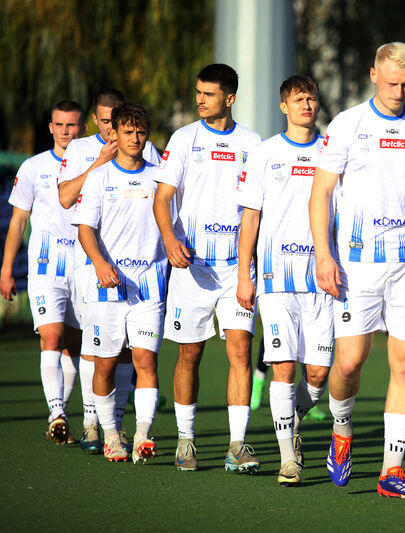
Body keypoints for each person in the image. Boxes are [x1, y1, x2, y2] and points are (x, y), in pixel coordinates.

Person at [310, 42, 405, 498]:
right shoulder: (348, 124)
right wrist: (324, 254)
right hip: (357, 264)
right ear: (373, 74)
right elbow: (320, 192)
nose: (400, 91)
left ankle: (391, 471)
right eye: (393, 82)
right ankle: (342, 433)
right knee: (349, 362)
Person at [154, 63, 262, 472]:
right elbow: (162, 198)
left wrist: (248, 268)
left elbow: (257, 208)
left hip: (236, 268)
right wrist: (169, 239)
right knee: (189, 356)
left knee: (240, 350)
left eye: (209, 94)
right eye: (198, 92)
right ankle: (186, 440)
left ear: (229, 98)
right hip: (191, 269)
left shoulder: (253, 143)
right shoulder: (183, 139)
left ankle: (237, 444)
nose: (199, 99)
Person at [235, 74, 332, 486]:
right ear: (284, 107)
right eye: (298, 99)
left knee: (318, 376)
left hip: (324, 279)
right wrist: (245, 274)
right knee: (283, 368)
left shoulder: (332, 151)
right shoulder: (264, 154)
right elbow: (250, 216)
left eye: (310, 98)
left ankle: (291, 417)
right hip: (276, 280)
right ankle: (288, 459)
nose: (306, 105)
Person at [57, 88, 160, 453]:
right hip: (107, 284)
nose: (135, 139)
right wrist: (100, 264)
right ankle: (110, 433)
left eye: (141, 132)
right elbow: (84, 227)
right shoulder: (99, 176)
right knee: (104, 362)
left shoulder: (159, 177)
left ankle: (143, 433)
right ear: (113, 133)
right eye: (128, 132)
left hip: (148, 284)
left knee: (145, 359)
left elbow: (171, 223)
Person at [0, 100, 86, 444]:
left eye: (72, 125)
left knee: (73, 344)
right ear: (50, 127)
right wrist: (7, 271)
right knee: (51, 337)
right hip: (46, 266)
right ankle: (57, 412)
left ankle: (58, 414)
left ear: (83, 129)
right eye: (60, 125)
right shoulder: (33, 168)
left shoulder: (95, 165)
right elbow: (18, 221)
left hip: (83, 265)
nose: (66, 131)